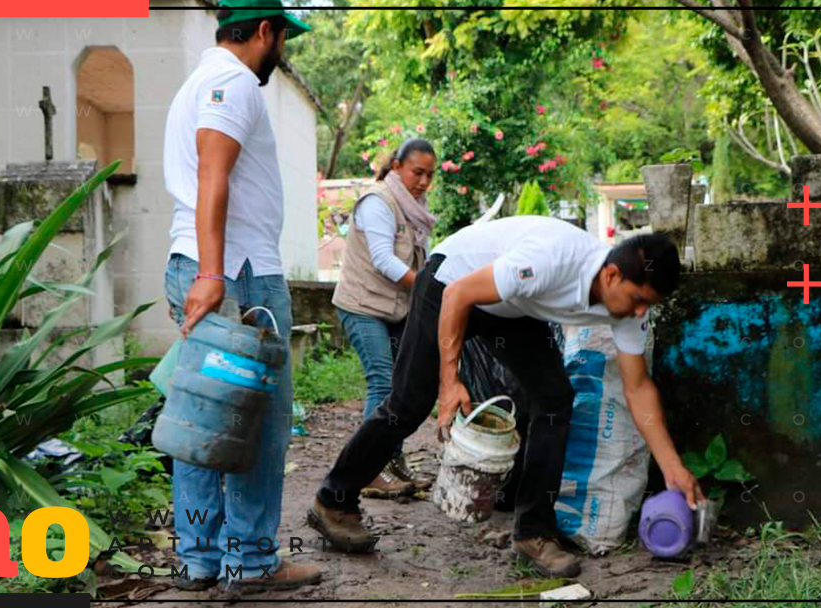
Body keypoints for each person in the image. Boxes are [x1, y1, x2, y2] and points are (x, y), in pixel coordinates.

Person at [308, 216, 704, 578]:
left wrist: (671, 466)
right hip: (452, 283)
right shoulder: (552, 260)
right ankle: (334, 499)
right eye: (639, 301)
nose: (640, 313)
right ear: (613, 274)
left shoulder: (626, 308)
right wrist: (450, 382)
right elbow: (459, 295)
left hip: (512, 310)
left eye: (648, 305)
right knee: (409, 404)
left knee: (554, 401)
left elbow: (638, 388)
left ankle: (533, 532)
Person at [161, 0, 321, 593]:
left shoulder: (197, 81)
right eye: (283, 36)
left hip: (202, 266)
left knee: (201, 417)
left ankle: (200, 560)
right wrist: (213, 272)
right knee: (261, 421)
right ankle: (250, 562)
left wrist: (202, 270)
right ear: (263, 31)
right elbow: (213, 172)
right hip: (237, 274)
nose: (283, 49)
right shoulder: (234, 80)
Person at [331, 138, 437, 498]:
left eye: (430, 175)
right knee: (382, 382)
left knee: (402, 386)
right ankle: (366, 471)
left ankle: (392, 463)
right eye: (417, 173)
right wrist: (428, 289)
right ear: (397, 167)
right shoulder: (378, 202)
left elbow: (422, 258)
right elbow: (384, 259)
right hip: (361, 306)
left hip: (395, 309)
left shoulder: (414, 207)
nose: (423, 182)